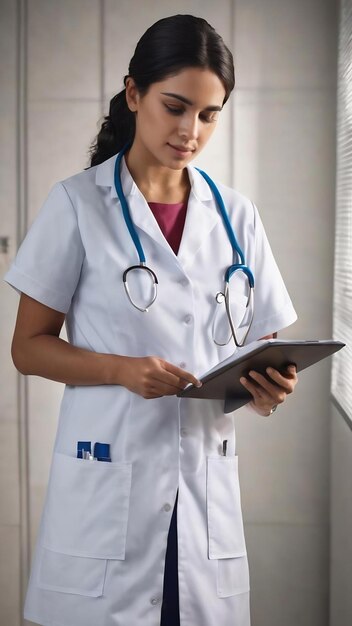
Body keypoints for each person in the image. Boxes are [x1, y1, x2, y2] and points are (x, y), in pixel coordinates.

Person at [4, 14, 298, 626]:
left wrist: (268, 391)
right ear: (134, 94)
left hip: (202, 495)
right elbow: (28, 348)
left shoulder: (237, 217)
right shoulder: (78, 205)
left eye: (210, 114)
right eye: (176, 106)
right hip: (108, 482)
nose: (191, 130)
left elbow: (263, 348)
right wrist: (120, 370)